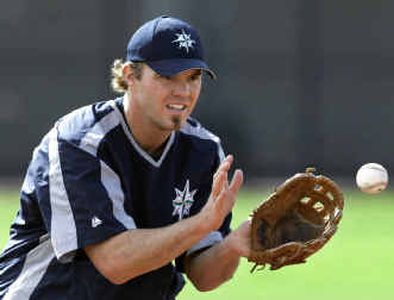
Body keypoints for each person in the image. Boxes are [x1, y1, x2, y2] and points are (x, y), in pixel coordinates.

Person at [0, 15, 251, 299]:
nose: (183, 91)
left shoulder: (203, 151)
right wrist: (201, 223)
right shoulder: (81, 141)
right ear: (131, 75)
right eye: (167, 77)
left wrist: (235, 245)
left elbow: (204, 276)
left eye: (193, 77)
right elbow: (114, 262)